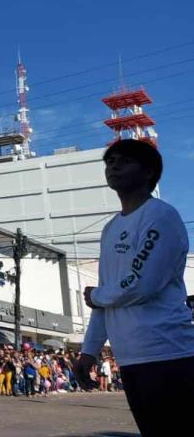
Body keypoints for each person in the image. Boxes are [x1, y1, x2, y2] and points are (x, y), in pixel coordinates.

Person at [79, 140, 194, 436]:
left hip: (170, 355)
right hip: (130, 360)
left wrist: (96, 295)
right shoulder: (110, 228)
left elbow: (142, 284)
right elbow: (107, 296)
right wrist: (88, 351)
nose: (114, 165)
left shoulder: (161, 216)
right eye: (110, 161)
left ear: (148, 173)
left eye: (124, 160)